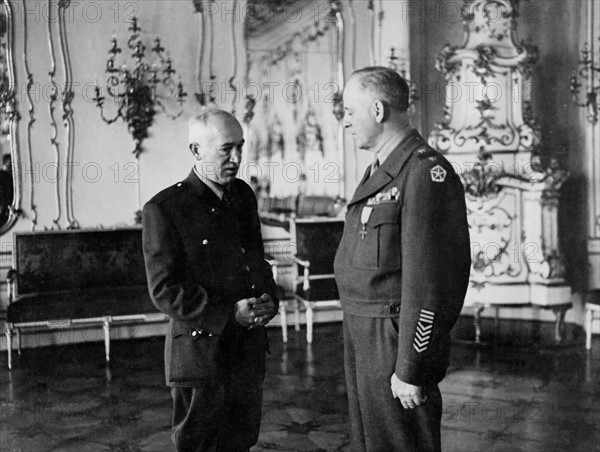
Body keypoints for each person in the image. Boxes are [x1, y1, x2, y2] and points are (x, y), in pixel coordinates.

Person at [334, 67, 471, 452]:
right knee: (373, 442)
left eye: (349, 111)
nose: (345, 121)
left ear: (377, 110)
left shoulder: (426, 172)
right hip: (364, 333)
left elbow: (433, 283)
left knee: (402, 442)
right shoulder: (381, 169)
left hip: (393, 339)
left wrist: (412, 366)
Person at [142, 109, 279, 452]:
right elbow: (164, 290)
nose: (236, 159)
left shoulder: (243, 197)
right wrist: (228, 314)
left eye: (240, 148)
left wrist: (268, 298)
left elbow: (256, 261)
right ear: (196, 151)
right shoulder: (165, 208)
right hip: (200, 354)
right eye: (226, 149)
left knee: (241, 440)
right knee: (200, 444)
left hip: (246, 351)